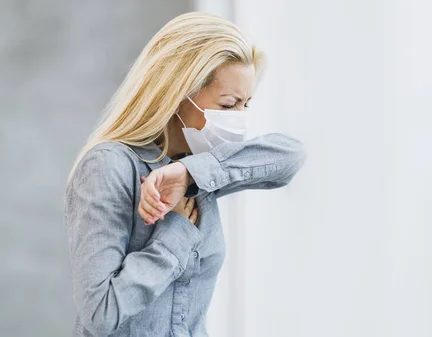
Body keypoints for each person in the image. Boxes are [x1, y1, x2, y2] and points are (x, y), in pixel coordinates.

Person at [64, 11, 306, 337]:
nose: (239, 119)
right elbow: (100, 313)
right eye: (229, 103)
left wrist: (188, 174)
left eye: (245, 105)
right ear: (178, 93)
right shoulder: (109, 166)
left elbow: (291, 156)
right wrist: (173, 235)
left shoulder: (199, 170)